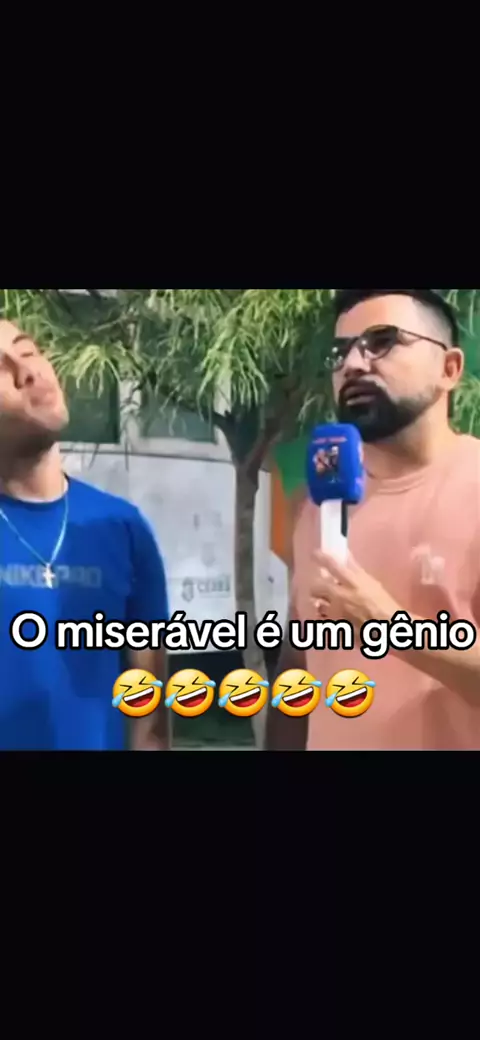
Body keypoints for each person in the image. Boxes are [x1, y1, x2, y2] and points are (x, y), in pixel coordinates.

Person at [266, 289, 480, 751]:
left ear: (449, 368)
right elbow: (300, 665)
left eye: (382, 341)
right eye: (340, 352)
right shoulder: (314, 504)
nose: (353, 364)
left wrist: (388, 625)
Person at [0, 319, 170, 751]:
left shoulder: (123, 527)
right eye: (2, 368)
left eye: (28, 351)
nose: (29, 371)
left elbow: (149, 717)